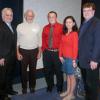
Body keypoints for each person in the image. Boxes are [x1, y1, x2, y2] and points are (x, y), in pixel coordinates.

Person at [78, 2, 100, 100]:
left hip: (91, 61)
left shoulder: (97, 23)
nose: (86, 12)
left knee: (92, 85)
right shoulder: (84, 23)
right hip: (83, 60)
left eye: (89, 10)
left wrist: (94, 59)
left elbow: (98, 42)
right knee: (87, 83)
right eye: (84, 10)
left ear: (93, 12)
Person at [17, 9, 41, 94]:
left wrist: (39, 52)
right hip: (23, 51)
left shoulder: (37, 26)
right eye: (28, 15)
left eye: (31, 16)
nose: (30, 17)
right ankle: (24, 87)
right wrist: (18, 52)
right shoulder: (20, 26)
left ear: (33, 17)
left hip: (34, 51)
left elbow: (39, 40)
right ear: (25, 16)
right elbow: (17, 41)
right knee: (23, 71)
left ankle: (32, 86)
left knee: (33, 70)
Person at [42, 11, 63, 93]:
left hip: (57, 52)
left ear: (56, 17)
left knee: (58, 71)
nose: (51, 18)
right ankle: (50, 85)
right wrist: (43, 50)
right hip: (47, 52)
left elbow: (63, 41)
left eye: (53, 16)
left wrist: (61, 53)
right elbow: (43, 39)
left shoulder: (61, 27)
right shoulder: (45, 28)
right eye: (49, 17)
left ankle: (60, 87)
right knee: (47, 71)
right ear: (48, 18)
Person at [59, 16, 78, 100]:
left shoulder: (74, 33)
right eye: (66, 22)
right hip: (65, 58)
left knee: (72, 76)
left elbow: (75, 47)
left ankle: (71, 94)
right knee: (67, 75)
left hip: (71, 59)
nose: (68, 24)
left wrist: (74, 60)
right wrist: (60, 55)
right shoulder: (64, 33)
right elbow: (61, 45)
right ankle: (68, 91)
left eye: (70, 22)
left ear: (73, 23)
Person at [0, 8, 17, 100]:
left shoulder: (13, 26)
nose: (9, 17)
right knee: (2, 77)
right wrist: (0, 57)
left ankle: (9, 89)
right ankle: (2, 95)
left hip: (12, 56)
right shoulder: (1, 26)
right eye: (7, 15)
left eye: (11, 15)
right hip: (4, 57)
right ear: (3, 16)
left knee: (10, 75)